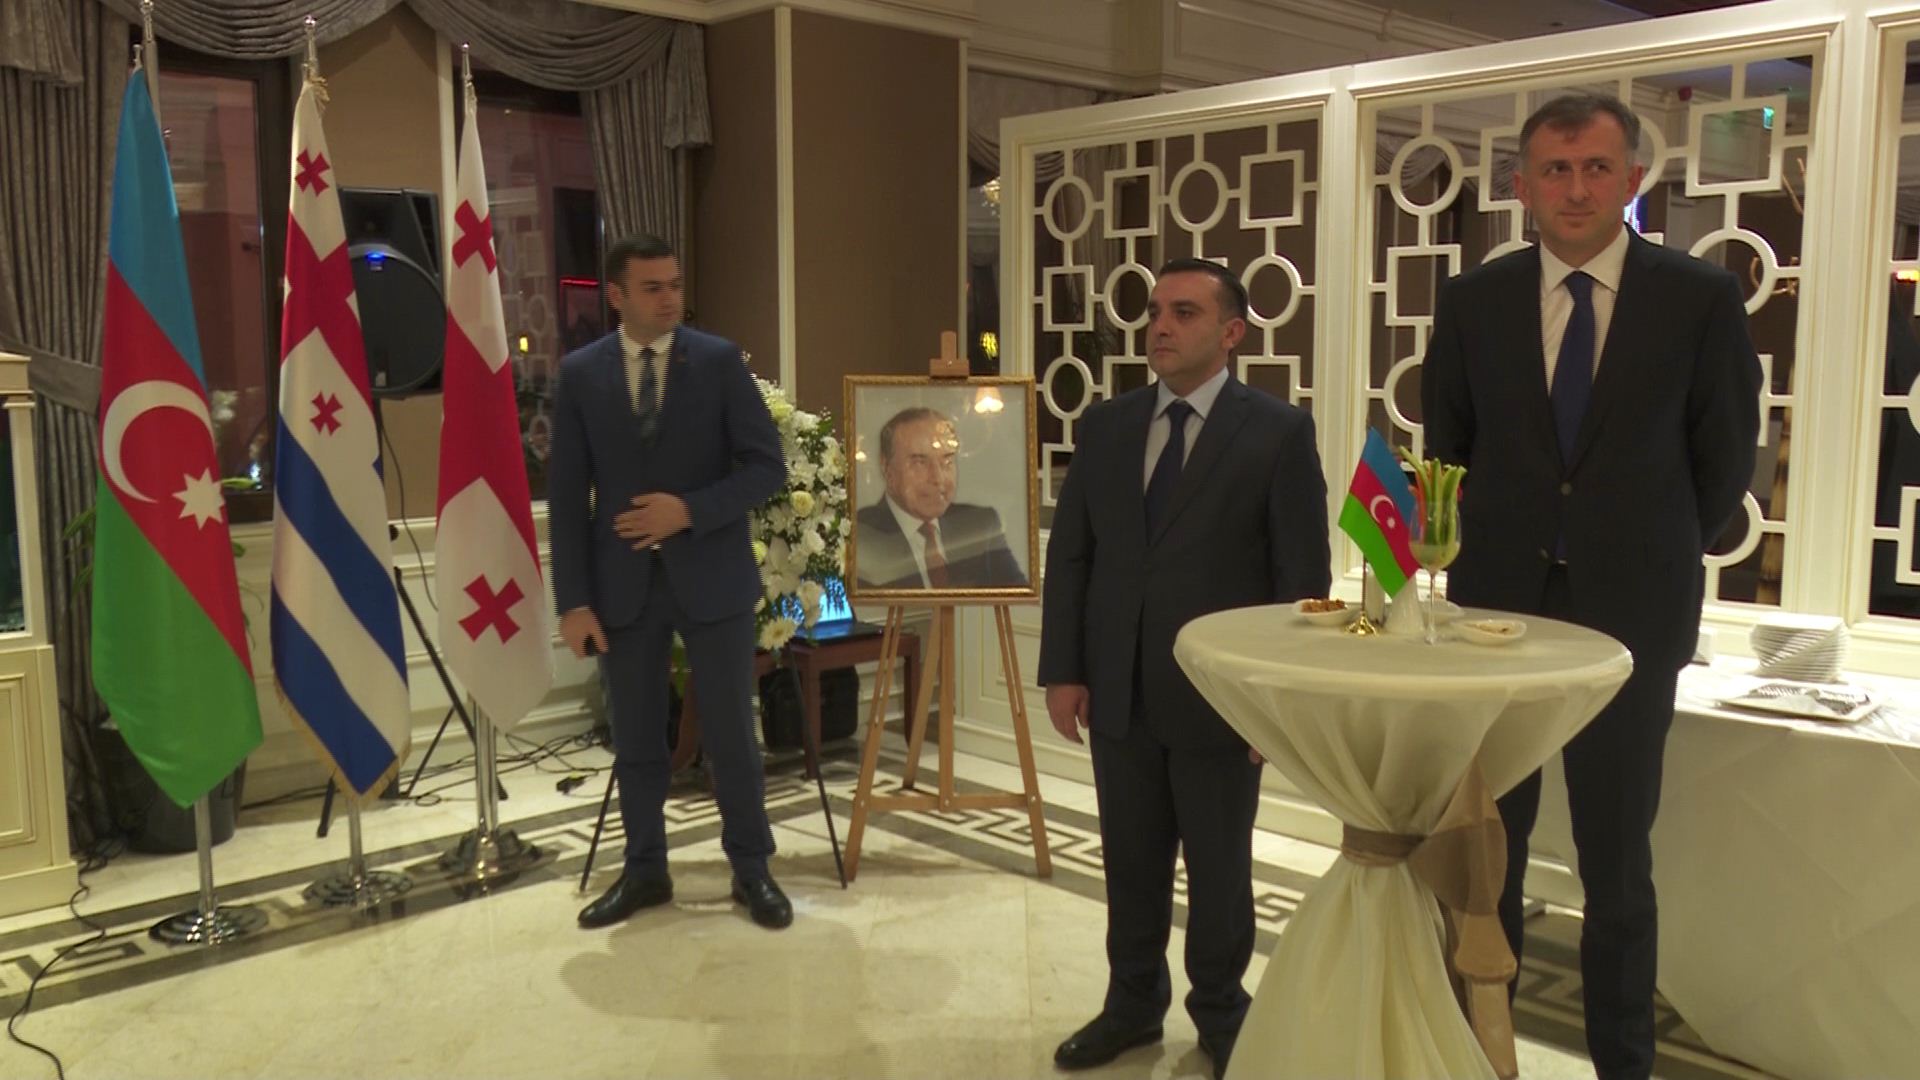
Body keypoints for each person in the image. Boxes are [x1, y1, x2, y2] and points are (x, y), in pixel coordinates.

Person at [1422, 93, 1761, 1079]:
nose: (1576, 189)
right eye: (1556, 171)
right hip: (1499, 614)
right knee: (1490, 844)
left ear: (1633, 181)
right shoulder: (1475, 301)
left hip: (1632, 617)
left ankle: (1624, 1062)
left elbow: (1724, 458)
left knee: (1617, 862)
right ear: (1523, 186)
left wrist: (1647, 548)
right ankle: (1478, 1047)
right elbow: (1450, 443)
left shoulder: (1698, 299)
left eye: (1597, 168)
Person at [1038, 258, 1331, 1080]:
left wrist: (1273, 705)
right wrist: (1064, 668)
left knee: (1219, 872)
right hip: (1119, 690)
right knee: (1129, 864)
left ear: (1232, 332)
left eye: (1185, 313)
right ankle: (1132, 1005)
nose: (1161, 326)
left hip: (1220, 701)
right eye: (1155, 311)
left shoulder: (1276, 433)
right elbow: (1074, 556)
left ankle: (1222, 1011)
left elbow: (1300, 580)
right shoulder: (1107, 426)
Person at [548, 234, 794, 930]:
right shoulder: (581, 374)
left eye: (676, 285)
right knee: (635, 741)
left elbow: (765, 468)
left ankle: (752, 869)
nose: (669, 299)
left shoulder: (716, 362)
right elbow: (566, 497)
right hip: (622, 587)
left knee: (732, 736)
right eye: (652, 288)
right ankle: (644, 871)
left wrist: (689, 510)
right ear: (617, 296)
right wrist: (573, 602)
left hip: (712, 577)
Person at [854, 407, 1027, 590]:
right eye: (920, 462)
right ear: (887, 468)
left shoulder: (980, 524)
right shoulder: (860, 535)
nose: (938, 478)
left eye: (947, 461)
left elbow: (1017, 594)